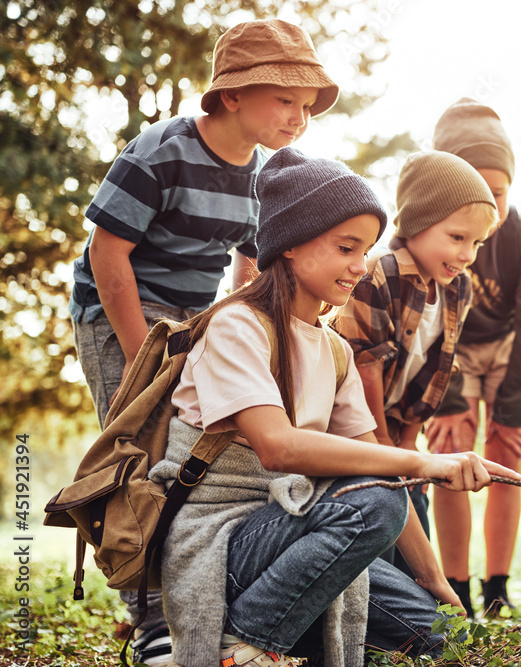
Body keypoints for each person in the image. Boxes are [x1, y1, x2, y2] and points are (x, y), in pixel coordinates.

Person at [147, 148, 519, 667]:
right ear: (292, 246)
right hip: (223, 547)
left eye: (365, 249)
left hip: (294, 538)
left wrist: (433, 580)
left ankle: (269, 641)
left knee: (444, 638)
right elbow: (277, 447)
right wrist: (425, 463)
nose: (361, 266)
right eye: (347, 247)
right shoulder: (236, 327)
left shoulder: (335, 350)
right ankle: (243, 644)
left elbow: (376, 466)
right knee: (379, 501)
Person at [67, 19, 338, 665]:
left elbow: (250, 261)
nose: (299, 117)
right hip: (118, 310)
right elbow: (109, 253)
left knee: (194, 453)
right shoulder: (161, 151)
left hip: (193, 317)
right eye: (285, 100)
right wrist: (140, 357)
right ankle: (150, 618)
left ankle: (195, 591)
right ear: (233, 95)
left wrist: (229, 326)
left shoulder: (264, 176)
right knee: (140, 445)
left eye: (307, 106)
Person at [333, 150, 498, 568]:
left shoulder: (457, 290)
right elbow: (365, 364)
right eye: (457, 238)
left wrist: (409, 443)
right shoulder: (378, 273)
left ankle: (425, 610)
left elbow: (436, 372)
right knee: (377, 521)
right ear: (419, 223)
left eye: (477, 243)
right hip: (353, 430)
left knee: (414, 510)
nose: (467, 255)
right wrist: (385, 445)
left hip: (398, 428)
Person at [423, 98, 521, 617]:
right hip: (444, 350)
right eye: (470, 191)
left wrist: (512, 408)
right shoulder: (429, 240)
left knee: (505, 456)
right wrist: (450, 400)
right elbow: (427, 327)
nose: (486, 207)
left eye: (495, 193)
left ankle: (497, 589)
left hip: (505, 348)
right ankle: (458, 588)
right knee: (451, 453)